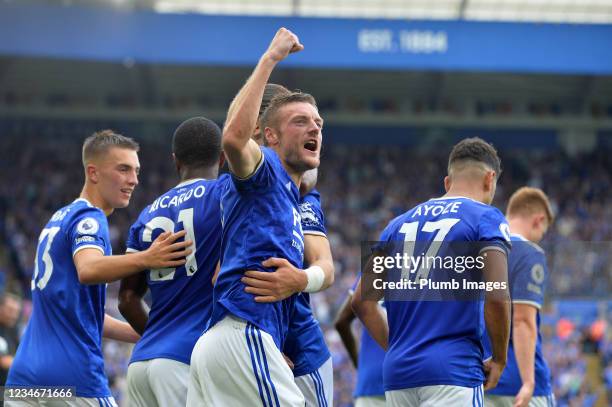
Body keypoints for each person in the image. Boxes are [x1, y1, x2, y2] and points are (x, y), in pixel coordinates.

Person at [187, 28, 332, 406]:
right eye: (301, 121)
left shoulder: (286, 192)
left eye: (318, 122)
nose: (314, 127)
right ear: (268, 135)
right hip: (243, 332)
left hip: (226, 339)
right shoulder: (266, 170)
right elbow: (234, 138)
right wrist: (271, 57)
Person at [6, 130, 191, 406]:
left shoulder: (58, 219)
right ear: (93, 172)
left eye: (137, 171)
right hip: (73, 378)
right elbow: (89, 268)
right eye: (124, 169)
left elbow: (85, 314)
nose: (134, 180)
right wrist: (147, 258)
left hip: (25, 380)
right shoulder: (89, 218)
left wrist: (144, 329)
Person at [353, 137, 512, 406]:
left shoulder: (395, 226)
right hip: (453, 373)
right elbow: (497, 295)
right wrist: (499, 358)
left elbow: (361, 302)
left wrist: (399, 348)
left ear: (447, 183)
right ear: (489, 179)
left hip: (398, 376)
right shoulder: (486, 217)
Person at [117, 117, 227, 407]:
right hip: (187, 359)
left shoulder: (147, 214)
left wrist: (158, 335)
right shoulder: (226, 195)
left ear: (176, 161)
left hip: (141, 363)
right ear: (223, 157)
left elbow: (127, 299)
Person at [249, 83, 335, 406]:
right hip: (252, 345)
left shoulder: (301, 195)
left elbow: (325, 267)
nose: (312, 128)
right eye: (299, 121)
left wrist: (301, 279)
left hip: (299, 352)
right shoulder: (232, 188)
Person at [483, 187, 556, 407]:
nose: (540, 238)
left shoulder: (478, 250)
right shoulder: (528, 252)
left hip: (479, 381)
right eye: (542, 231)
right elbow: (522, 320)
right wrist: (528, 382)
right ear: (538, 220)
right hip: (517, 385)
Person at [335, 277, 385, 407]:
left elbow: (342, 321)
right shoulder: (435, 266)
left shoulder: (379, 263)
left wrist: (361, 366)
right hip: (421, 377)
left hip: (371, 381)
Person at [0, 293, 21, 386]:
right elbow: (4, 361)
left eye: (16, 312)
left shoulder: (13, 330)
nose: (14, 315)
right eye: (10, 310)